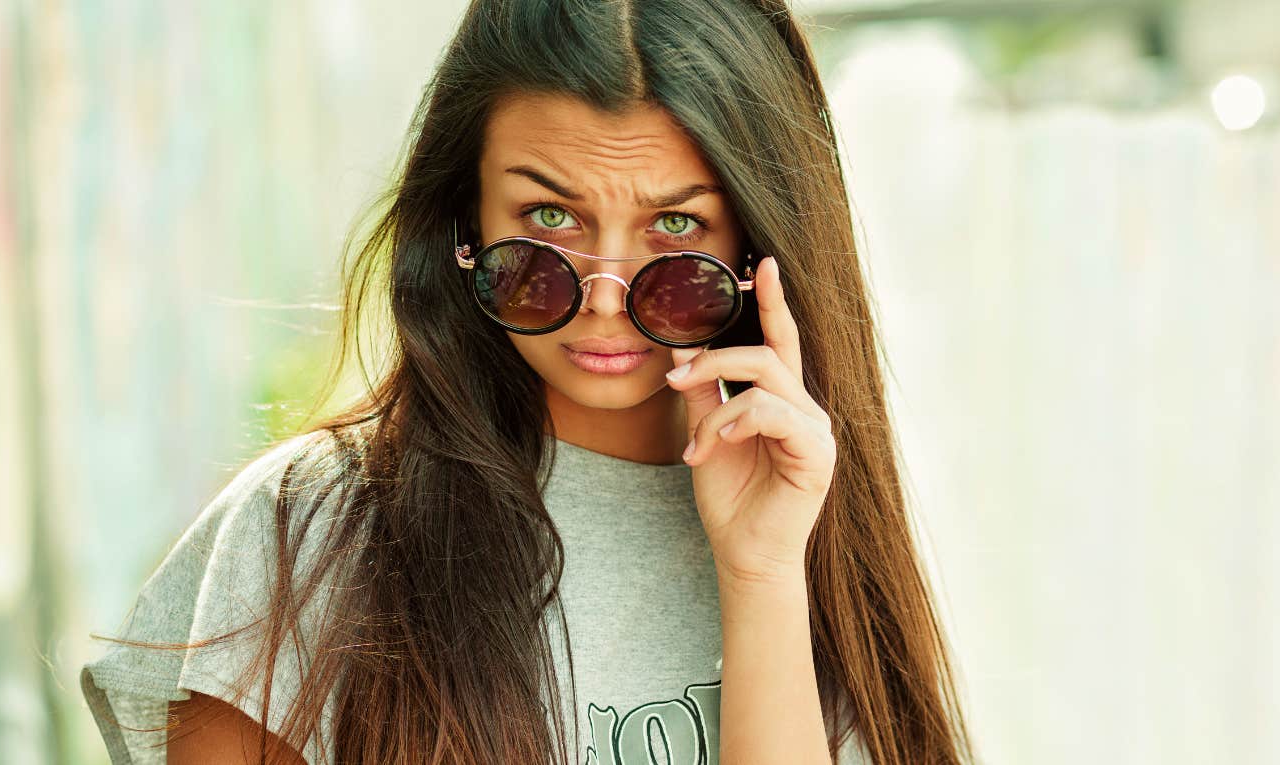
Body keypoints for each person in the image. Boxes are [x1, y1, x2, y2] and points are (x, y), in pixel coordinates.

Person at [79, 1, 978, 763]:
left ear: (759, 244)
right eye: (549, 216)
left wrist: (765, 576)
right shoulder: (308, 534)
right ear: (464, 215)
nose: (602, 298)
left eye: (675, 224)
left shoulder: (821, 539)